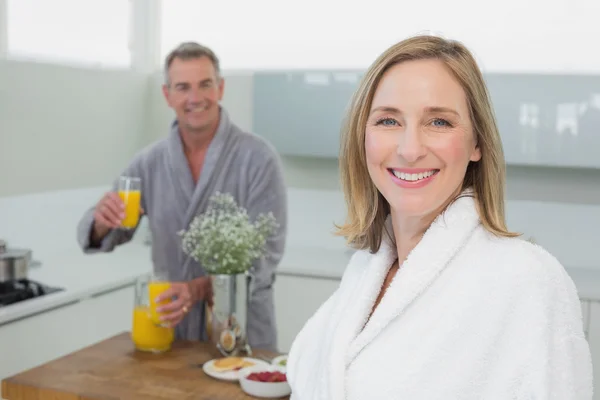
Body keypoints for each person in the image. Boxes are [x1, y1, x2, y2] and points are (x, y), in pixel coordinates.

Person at [286, 35, 592, 399]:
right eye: (388, 121)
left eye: (439, 123)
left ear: (477, 143)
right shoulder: (364, 271)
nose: (410, 149)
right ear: (362, 137)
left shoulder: (529, 282)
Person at [76, 42, 287, 352]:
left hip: (239, 330)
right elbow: (106, 227)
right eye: (182, 87)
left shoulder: (258, 158)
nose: (195, 98)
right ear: (167, 95)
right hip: (170, 331)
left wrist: (200, 288)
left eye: (205, 84)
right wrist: (101, 221)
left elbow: (266, 252)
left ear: (221, 88)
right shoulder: (149, 162)